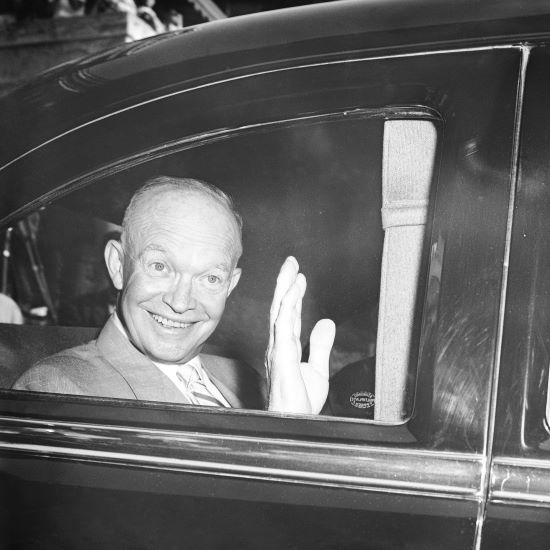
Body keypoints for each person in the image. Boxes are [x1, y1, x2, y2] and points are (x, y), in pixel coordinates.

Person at [13, 176, 335, 414]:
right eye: (160, 266)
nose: (181, 303)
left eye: (210, 277)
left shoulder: (251, 383)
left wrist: (299, 426)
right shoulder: (57, 390)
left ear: (230, 285)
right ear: (117, 265)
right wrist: (283, 436)